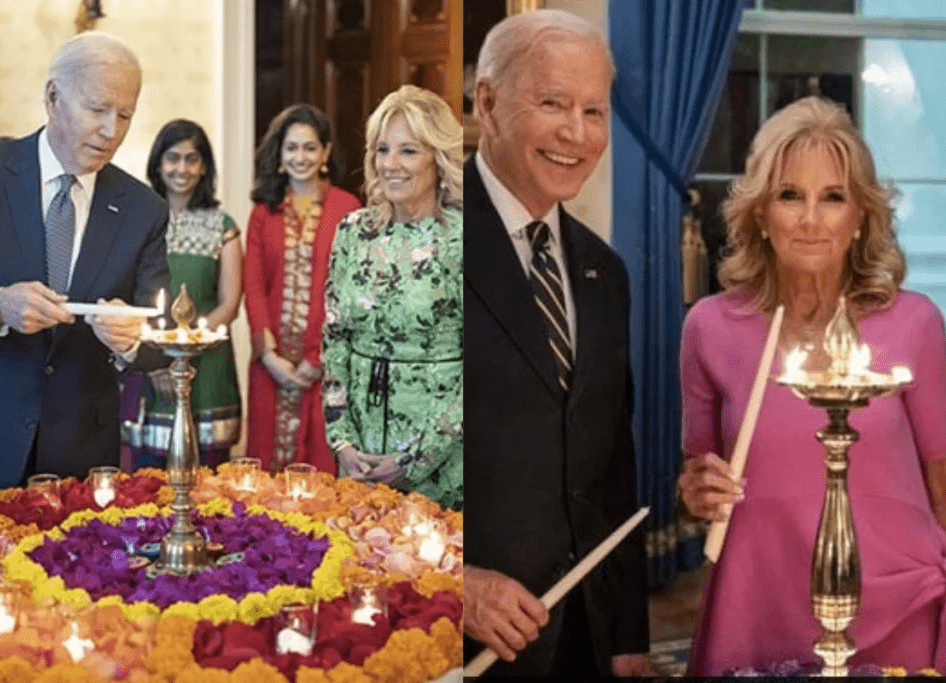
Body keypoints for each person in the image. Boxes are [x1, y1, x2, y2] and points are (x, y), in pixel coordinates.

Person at [679, 96, 946, 674]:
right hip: (758, 604)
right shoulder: (710, 327)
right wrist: (695, 492)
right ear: (761, 212)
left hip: (896, 602)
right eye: (789, 196)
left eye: (833, 198)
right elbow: (696, 489)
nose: (810, 219)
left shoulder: (916, 323)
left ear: (861, 217)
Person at [464, 9, 651, 677]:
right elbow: (363, 464)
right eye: (552, 103)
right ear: (487, 102)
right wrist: (453, 583)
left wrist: (628, 632)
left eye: (594, 111)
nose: (577, 133)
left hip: (586, 639)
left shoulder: (606, 272)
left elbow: (610, 467)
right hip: (466, 642)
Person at [0, 32, 169, 506]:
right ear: (53, 97)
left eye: (124, 115)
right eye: (97, 109)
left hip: (81, 456)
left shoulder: (144, 208)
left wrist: (132, 342)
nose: (111, 131)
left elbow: (158, 336)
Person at [322, 85, 463, 509]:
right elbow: (334, 342)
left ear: (438, 159)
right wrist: (342, 441)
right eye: (383, 150)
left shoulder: (464, 239)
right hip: (358, 455)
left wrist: (416, 459)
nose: (391, 165)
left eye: (408, 151)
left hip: (440, 458)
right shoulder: (352, 231)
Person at [243, 105, 361, 474]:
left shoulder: (349, 209)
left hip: (327, 367)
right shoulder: (264, 213)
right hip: (271, 368)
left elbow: (349, 289)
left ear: (326, 153)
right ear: (279, 154)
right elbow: (253, 286)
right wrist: (269, 356)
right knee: (265, 475)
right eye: (291, 148)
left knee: (321, 472)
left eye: (310, 148)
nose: (300, 157)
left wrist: (317, 357)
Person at [123, 119, 242, 470]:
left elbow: (230, 304)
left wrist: (185, 349)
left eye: (192, 159)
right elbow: (126, 295)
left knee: (209, 481)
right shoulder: (137, 220)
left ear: (204, 166)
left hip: (207, 363)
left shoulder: (223, 226)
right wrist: (156, 359)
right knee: (146, 480)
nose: (182, 168)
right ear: (158, 163)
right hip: (147, 363)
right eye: (173, 158)